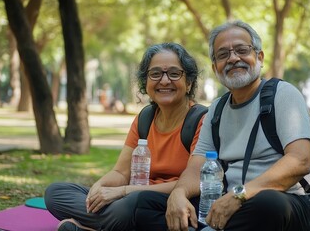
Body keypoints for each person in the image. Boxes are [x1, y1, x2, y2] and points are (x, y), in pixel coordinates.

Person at [134, 20, 310, 231]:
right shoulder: (217, 109)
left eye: (242, 50)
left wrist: (239, 195)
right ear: (215, 67)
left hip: (284, 202)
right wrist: (179, 193)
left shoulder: (283, 94)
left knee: (268, 204)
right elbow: (196, 166)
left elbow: (299, 161)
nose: (233, 58)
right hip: (226, 201)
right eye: (222, 55)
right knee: (146, 204)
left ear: (259, 57)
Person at [44, 42, 205, 231]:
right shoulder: (144, 119)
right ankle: (109, 223)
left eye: (174, 73)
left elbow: (193, 182)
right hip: (130, 200)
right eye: (155, 74)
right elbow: (121, 173)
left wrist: (123, 192)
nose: (164, 81)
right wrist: (99, 186)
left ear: (189, 83)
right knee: (55, 193)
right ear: (146, 83)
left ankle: (92, 226)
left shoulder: (201, 121)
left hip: (169, 204)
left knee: (133, 206)